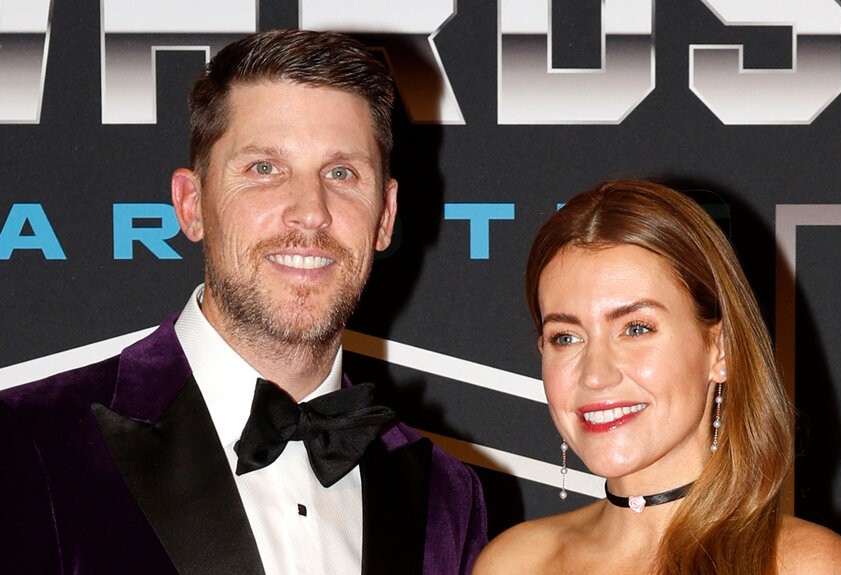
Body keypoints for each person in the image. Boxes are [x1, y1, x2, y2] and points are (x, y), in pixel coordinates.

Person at [0, 29, 486, 574]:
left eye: (341, 173)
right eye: (264, 169)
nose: (310, 211)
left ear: (385, 216)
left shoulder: (446, 495)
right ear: (191, 206)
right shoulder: (27, 443)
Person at [472, 180, 841, 574]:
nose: (595, 375)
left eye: (636, 329)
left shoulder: (803, 565)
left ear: (720, 349)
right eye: (566, 337)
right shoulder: (513, 563)